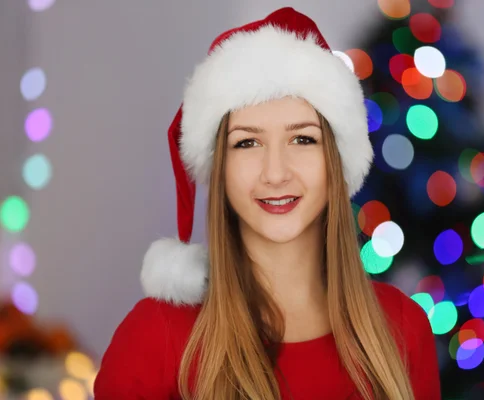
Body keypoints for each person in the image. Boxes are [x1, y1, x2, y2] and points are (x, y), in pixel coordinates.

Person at [94, 7, 440, 400]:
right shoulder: (156, 337)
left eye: (302, 139)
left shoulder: (402, 327)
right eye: (247, 142)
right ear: (220, 167)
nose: (275, 173)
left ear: (336, 160)